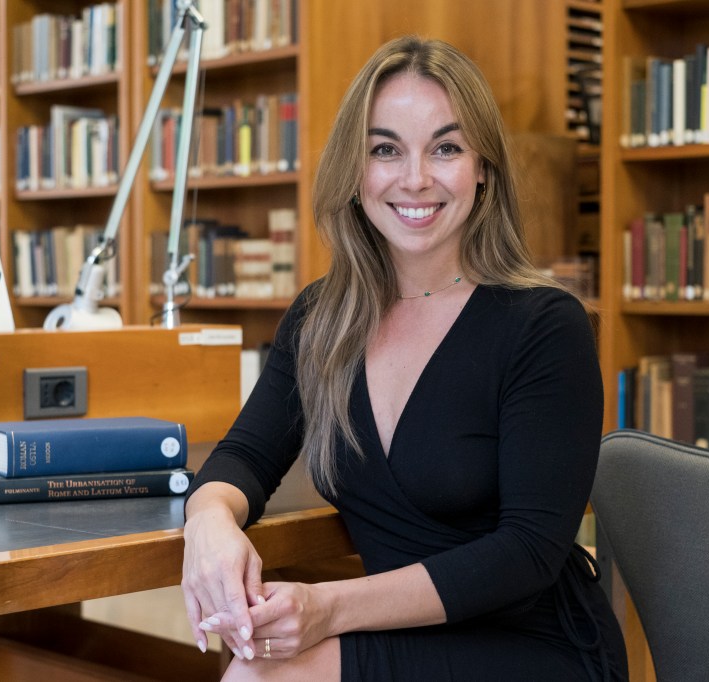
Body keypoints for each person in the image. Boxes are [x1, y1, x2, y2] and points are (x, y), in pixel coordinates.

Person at [181, 35, 628, 681]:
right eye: (385, 149)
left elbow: (527, 553)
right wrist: (210, 522)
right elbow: (246, 456)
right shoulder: (321, 317)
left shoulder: (542, 325)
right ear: (354, 172)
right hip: (405, 633)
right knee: (263, 663)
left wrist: (328, 607)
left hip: (533, 646)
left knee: (268, 674)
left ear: (483, 169)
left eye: (445, 148)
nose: (415, 177)